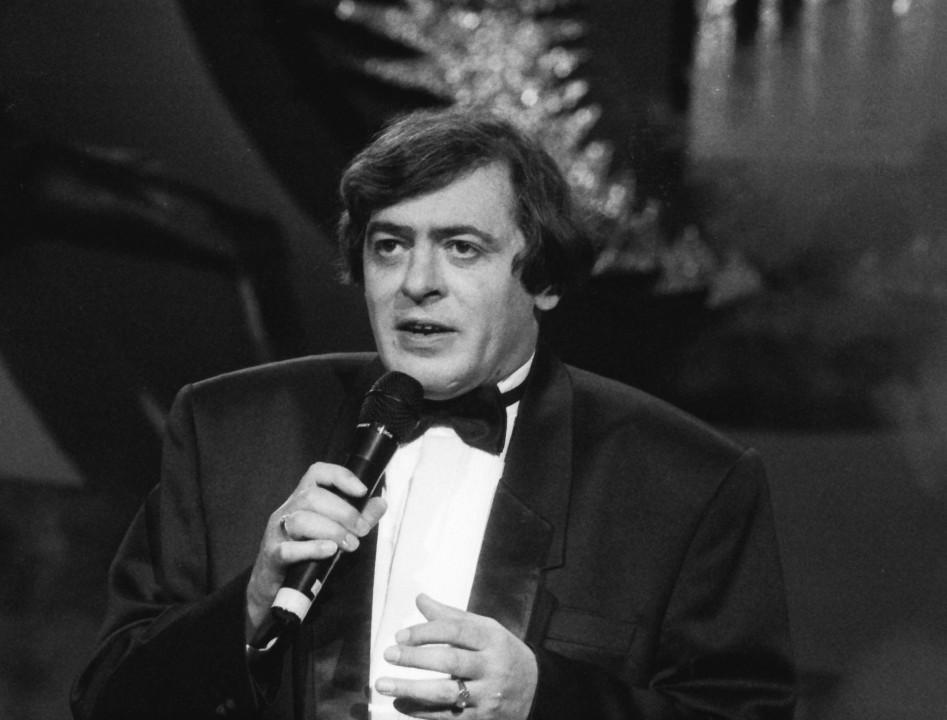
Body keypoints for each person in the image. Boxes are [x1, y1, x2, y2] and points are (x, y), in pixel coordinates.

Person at [72, 108, 795, 719]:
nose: (418, 283)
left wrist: (543, 699)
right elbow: (105, 701)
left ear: (542, 279)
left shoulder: (687, 481)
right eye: (390, 246)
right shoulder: (224, 431)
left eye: (461, 248)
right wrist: (249, 604)